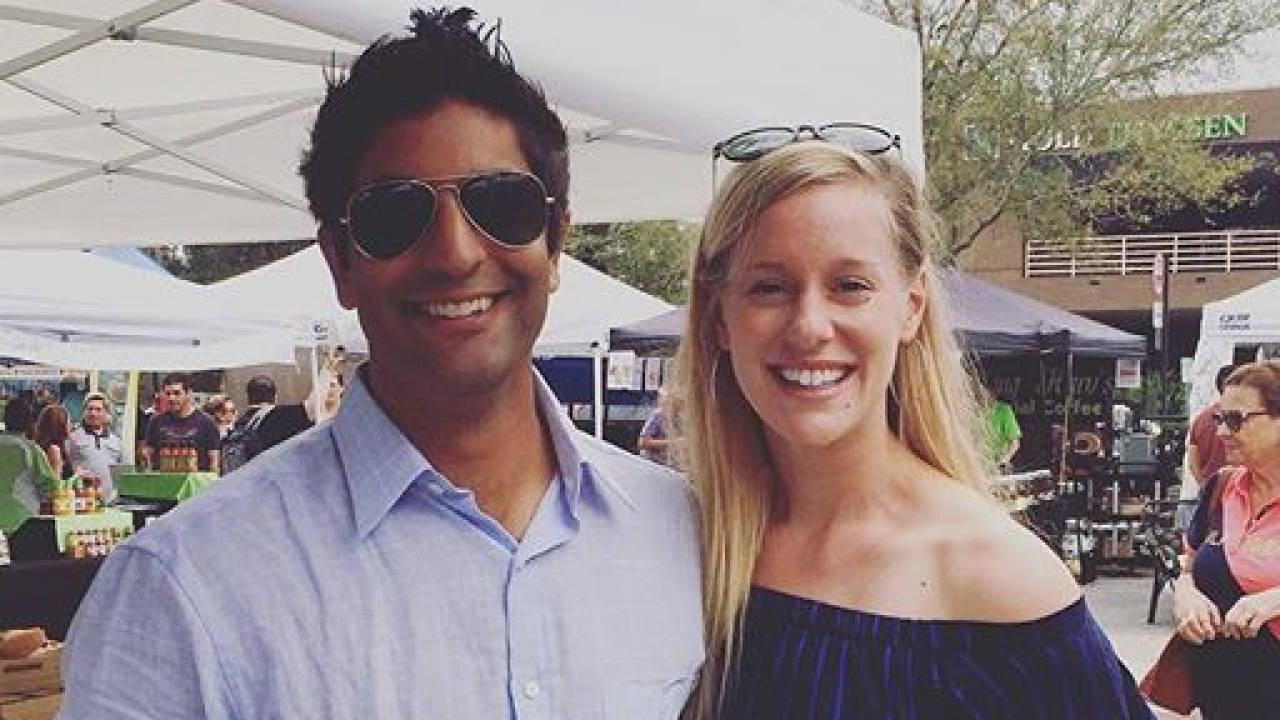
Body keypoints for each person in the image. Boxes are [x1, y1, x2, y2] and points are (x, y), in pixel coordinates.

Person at [59, 8, 700, 719]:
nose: (457, 253)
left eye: (501, 203)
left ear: (556, 244)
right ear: (339, 261)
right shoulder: (185, 589)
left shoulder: (685, 537)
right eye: (396, 214)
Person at [675, 137, 1152, 719]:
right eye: (769, 287)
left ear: (912, 306)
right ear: (719, 315)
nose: (809, 325)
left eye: (850, 286)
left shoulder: (997, 576)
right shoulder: (684, 543)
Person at [1171, 360, 1280, 720]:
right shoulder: (1220, 487)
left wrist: (1274, 600)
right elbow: (1187, 564)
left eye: (1236, 419)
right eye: (1220, 418)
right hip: (1221, 694)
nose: (1220, 432)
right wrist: (1185, 596)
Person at [139, 373, 221, 474]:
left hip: (196, 486)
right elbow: (148, 458)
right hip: (164, 485)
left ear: (188, 393)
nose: (172, 398)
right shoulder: (156, 422)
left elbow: (214, 462)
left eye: (177, 393)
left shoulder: (206, 423)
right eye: (168, 394)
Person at [67, 392, 125, 502]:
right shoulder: (73, 438)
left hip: (111, 501)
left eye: (98, 410)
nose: (93, 413)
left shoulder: (116, 441)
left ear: (106, 413)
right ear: (84, 412)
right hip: (82, 499)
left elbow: (123, 471)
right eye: (90, 409)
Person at [234, 374, 312, 456]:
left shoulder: (240, 423)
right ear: (275, 397)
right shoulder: (282, 417)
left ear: (248, 397)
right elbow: (313, 406)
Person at [982, 380, 1021, 472]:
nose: (983, 395)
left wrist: (1004, 460)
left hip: (998, 463)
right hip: (977, 463)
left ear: (994, 393)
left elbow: (1015, 443)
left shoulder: (1004, 410)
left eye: (986, 392)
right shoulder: (974, 410)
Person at [31, 403, 73, 481]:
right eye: (69, 422)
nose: (71, 426)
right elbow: (56, 485)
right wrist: (77, 476)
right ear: (61, 425)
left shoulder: (37, 447)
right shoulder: (53, 450)